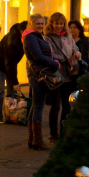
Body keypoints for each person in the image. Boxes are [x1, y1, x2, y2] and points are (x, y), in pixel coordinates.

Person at [23, 13, 61, 150]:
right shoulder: (30, 37)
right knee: (38, 106)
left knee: (36, 105)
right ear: (31, 24)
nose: (41, 26)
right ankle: (37, 141)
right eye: (38, 23)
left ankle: (32, 139)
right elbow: (38, 56)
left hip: (39, 73)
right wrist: (55, 64)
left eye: (42, 23)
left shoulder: (36, 37)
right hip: (39, 74)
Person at [45, 12, 81, 144]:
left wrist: (77, 54)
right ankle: (53, 134)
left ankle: (63, 132)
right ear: (52, 24)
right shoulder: (48, 38)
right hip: (56, 75)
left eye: (61, 23)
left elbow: (75, 49)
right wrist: (67, 59)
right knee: (55, 106)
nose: (59, 26)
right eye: (57, 23)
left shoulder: (68, 36)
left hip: (70, 75)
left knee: (67, 105)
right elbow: (51, 55)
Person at [0, 21, 27, 123]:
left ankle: (11, 116)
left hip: (9, 63)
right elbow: (10, 63)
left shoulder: (26, 38)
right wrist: (16, 82)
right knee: (0, 88)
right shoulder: (12, 41)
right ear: (21, 31)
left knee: (12, 90)